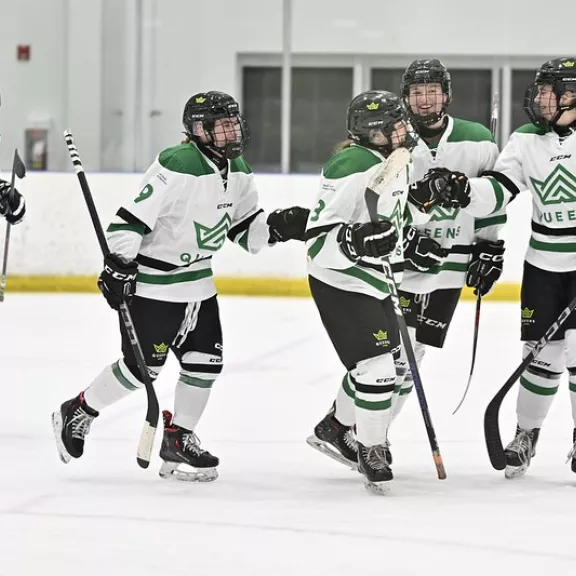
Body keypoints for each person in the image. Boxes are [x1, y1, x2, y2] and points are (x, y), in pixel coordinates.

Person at [52, 91, 309, 482]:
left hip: (200, 287)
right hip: (156, 287)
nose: (231, 131)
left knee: (205, 364)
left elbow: (244, 230)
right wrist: (119, 265)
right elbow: (129, 222)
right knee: (142, 371)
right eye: (221, 125)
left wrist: (277, 228)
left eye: (233, 123)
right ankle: (79, 410)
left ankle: (179, 437)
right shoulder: (177, 163)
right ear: (198, 130)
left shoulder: (238, 167)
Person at [411, 57, 576, 478]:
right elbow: (499, 192)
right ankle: (527, 433)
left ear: (572, 96)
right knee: (541, 357)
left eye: (548, 92)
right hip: (543, 265)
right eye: (538, 90)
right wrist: (464, 190)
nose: (538, 99)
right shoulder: (525, 139)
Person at [305, 89, 432, 493]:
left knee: (397, 363)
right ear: (371, 134)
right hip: (340, 280)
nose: (402, 130)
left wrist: (411, 242)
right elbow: (317, 240)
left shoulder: (396, 159)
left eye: (401, 123)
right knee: (376, 370)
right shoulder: (351, 164)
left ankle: (334, 426)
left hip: (376, 277)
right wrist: (353, 242)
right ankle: (369, 447)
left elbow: (391, 215)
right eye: (392, 127)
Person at [389, 59, 505, 441]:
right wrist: (404, 239)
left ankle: (373, 432)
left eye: (432, 91)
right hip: (405, 265)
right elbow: (377, 203)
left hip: (451, 269)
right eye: (417, 93)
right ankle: (358, 430)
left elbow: (492, 201)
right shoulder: (393, 138)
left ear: (447, 95)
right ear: (406, 97)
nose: (425, 101)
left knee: (416, 353)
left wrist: (490, 247)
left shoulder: (477, 139)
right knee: (392, 354)